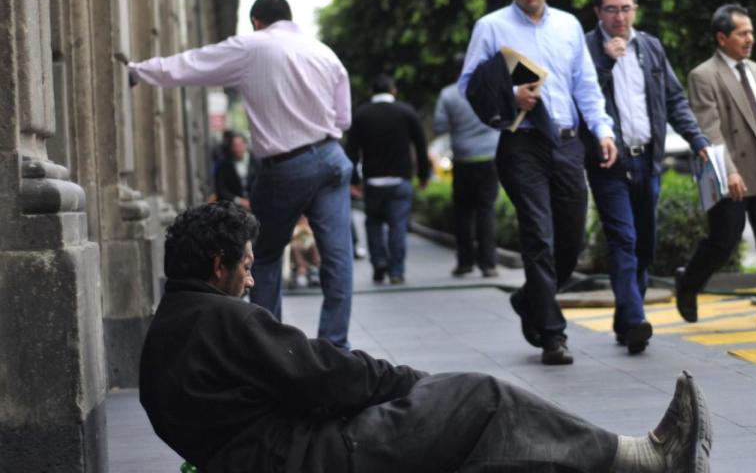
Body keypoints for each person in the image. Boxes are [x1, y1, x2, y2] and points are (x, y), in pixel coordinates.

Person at [140, 202, 712, 473]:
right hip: (314, 457)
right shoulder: (223, 320)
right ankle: (642, 460)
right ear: (218, 265)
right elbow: (324, 376)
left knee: (470, 429)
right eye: (243, 266)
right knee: (480, 396)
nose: (248, 279)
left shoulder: (171, 328)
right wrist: (413, 382)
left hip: (270, 454)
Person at [128, 0, 356, 349]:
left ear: (256, 21)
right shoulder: (323, 52)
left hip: (287, 165)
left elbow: (192, 64)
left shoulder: (252, 46)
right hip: (331, 157)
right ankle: (335, 348)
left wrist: (138, 71)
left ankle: (270, 349)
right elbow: (343, 118)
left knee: (263, 256)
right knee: (338, 258)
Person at [458, 0, 618, 365]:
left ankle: (531, 298)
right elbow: (469, 85)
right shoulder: (491, 26)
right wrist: (511, 97)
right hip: (521, 143)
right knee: (538, 236)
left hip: (567, 143)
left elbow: (586, 86)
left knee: (571, 240)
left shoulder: (567, 26)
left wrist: (602, 130)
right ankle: (552, 334)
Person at [584, 0, 710, 354]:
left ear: (635, 9)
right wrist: (607, 61)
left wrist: (698, 139)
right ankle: (637, 319)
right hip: (610, 164)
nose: (619, 17)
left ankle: (626, 319)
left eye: (625, 8)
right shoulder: (587, 49)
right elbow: (584, 95)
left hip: (648, 161)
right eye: (611, 9)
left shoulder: (650, 48)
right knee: (623, 240)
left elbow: (674, 100)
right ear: (598, 12)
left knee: (644, 246)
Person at [675, 4, 756, 328]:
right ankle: (689, 282)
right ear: (722, 38)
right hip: (725, 170)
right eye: (742, 33)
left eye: (751, 32)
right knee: (724, 241)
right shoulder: (703, 75)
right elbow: (710, 129)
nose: (750, 39)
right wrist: (729, 170)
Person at [345, 74, 431, 285]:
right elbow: (421, 146)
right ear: (393, 91)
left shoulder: (362, 115)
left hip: (373, 181)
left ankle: (379, 263)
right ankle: (396, 271)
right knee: (398, 226)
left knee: (373, 223)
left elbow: (352, 150)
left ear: (372, 92)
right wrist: (423, 174)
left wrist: (353, 180)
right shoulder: (406, 112)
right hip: (400, 180)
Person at [434, 81, 501, 278]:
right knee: (486, 210)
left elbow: (440, 125)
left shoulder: (448, 94)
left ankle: (465, 263)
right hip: (490, 156)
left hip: (463, 158)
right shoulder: (491, 88)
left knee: (463, 212)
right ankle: (488, 264)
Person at [214, 133, 258, 210]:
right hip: (233, 206)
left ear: (245, 145)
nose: (238, 148)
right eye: (235, 145)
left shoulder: (256, 161)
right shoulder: (224, 164)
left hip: (256, 204)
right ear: (231, 147)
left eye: (240, 145)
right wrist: (239, 201)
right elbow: (221, 190)